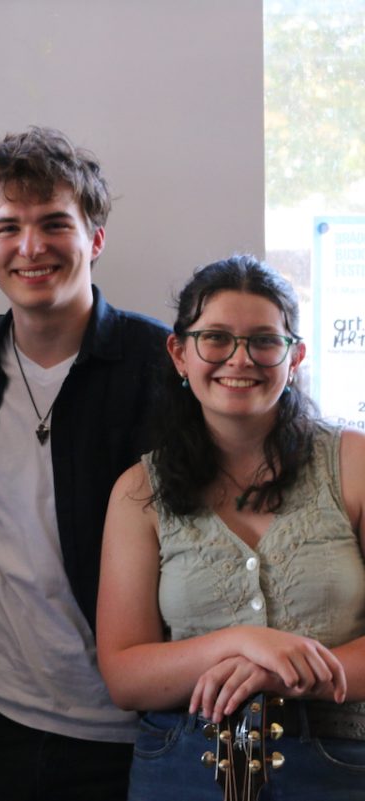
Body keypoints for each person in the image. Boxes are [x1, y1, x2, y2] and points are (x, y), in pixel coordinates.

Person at [0, 126, 171, 800]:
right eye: (8, 228)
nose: (31, 247)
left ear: (95, 238)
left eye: (55, 222)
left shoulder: (164, 367)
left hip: (148, 729)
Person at [96, 255, 365, 800]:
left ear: (295, 357)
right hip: (180, 767)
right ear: (179, 354)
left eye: (264, 341)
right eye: (215, 338)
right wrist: (246, 642)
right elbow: (124, 675)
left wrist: (280, 672)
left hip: (340, 767)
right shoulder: (136, 491)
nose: (240, 359)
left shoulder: (353, 463)